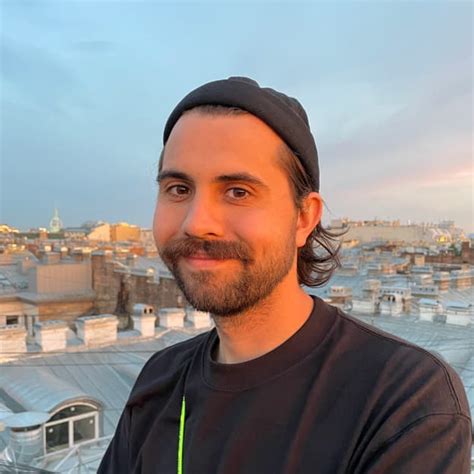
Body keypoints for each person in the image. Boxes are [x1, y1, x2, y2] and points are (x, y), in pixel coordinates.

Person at [98, 77, 472, 474]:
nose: (196, 223)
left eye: (238, 191)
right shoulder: (160, 380)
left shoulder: (403, 400)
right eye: (178, 189)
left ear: (304, 218)